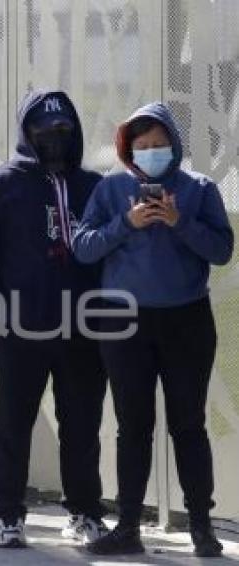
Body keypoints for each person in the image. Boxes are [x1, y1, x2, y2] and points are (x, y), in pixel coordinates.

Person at [72, 102, 233, 558]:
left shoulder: (199, 189)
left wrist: (180, 223)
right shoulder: (111, 189)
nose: (151, 153)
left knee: (189, 424)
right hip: (124, 323)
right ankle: (127, 527)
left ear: (174, 147)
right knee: (133, 426)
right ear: (128, 151)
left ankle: (201, 526)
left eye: (159, 145)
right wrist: (126, 223)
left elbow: (222, 250)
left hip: (187, 320)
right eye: (141, 147)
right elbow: (83, 247)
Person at [0, 90, 109, 547]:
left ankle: (84, 512)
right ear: (26, 133)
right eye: (43, 131)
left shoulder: (93, 186)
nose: (54, 138)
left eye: (63, 130)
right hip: (21, 329)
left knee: (82, 425)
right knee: (13, 425)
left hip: (83, 328)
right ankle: (8, 514)